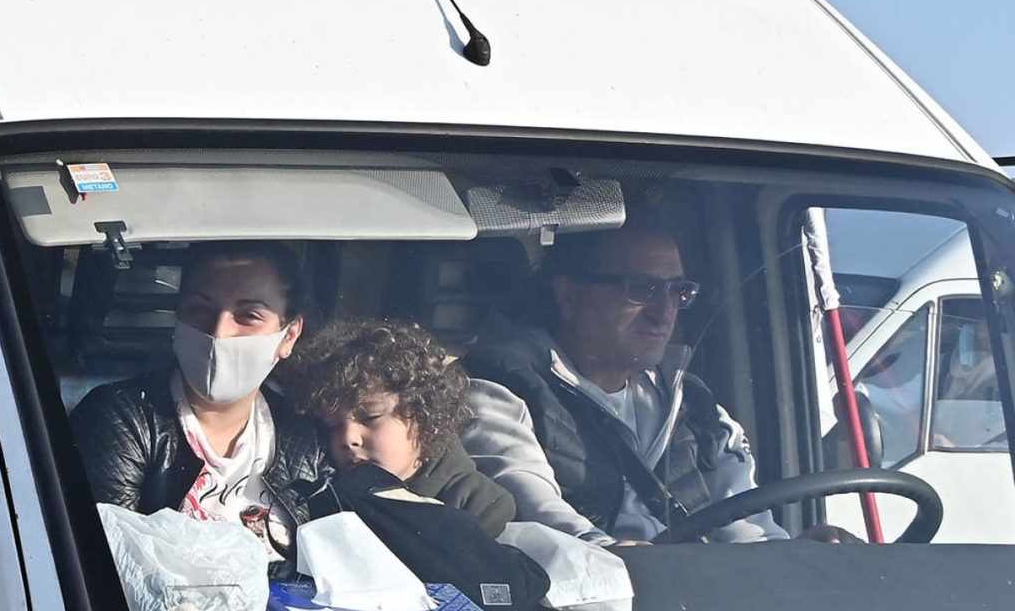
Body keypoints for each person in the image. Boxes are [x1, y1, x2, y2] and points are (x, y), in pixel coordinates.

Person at [463, 218, 830, 544]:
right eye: (642, 289)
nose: (664, 314)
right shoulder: (497, 391)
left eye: (678, 291)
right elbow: (541, 517)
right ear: (570, 295)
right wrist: (614, 558)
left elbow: (747, 533)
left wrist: (800, 556)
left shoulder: (695, 406)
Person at [72, 241, 327, 551]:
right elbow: (114, 561)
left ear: (288, 336)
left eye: (248, 315)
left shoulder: (305, 436)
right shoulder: (122, 418)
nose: (219, 331)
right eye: (200, 309)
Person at [288, 319, 516, 536]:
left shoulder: (480, 505)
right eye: (333, 425)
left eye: (371, 418)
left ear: (423, 414)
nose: (348, 438)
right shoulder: (324, 496)